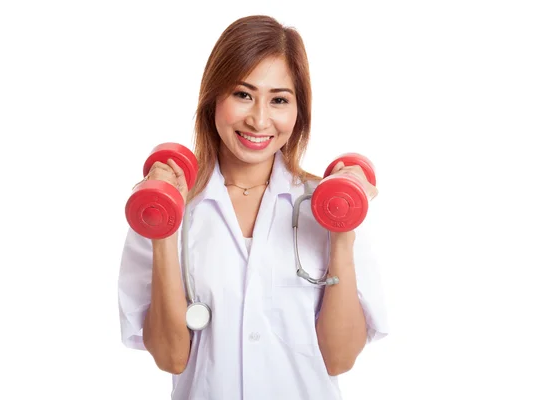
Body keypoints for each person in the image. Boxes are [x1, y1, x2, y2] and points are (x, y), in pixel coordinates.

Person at [118, 15, 389, 400]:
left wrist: (341, 239)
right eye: (243, 94)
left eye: (279, 99)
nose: (259, 119)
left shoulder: (330, 206)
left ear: (299, 113)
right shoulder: (166, 207)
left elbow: (339, 359)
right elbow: (171, 358)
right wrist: (164, 234)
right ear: (214, 98)